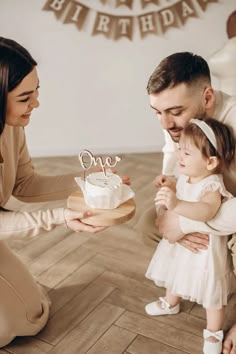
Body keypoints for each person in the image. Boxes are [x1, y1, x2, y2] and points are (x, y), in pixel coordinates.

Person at [0, 36, 129, 347]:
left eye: (37, 92)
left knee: (33, 315)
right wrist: (60, 217)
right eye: (25, 98)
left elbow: (25, 184)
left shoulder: (13, 128)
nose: (36, 104)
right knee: (6, 330)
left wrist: (86, 180)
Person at [137, 52, 236, 354]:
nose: (166, 124)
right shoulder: (178, 123)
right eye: (157, 112)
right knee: (149, 226)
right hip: (206, 204)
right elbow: (171, 161)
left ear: (207, 96)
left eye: (174, 111)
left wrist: (185, 222)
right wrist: (167, 213)